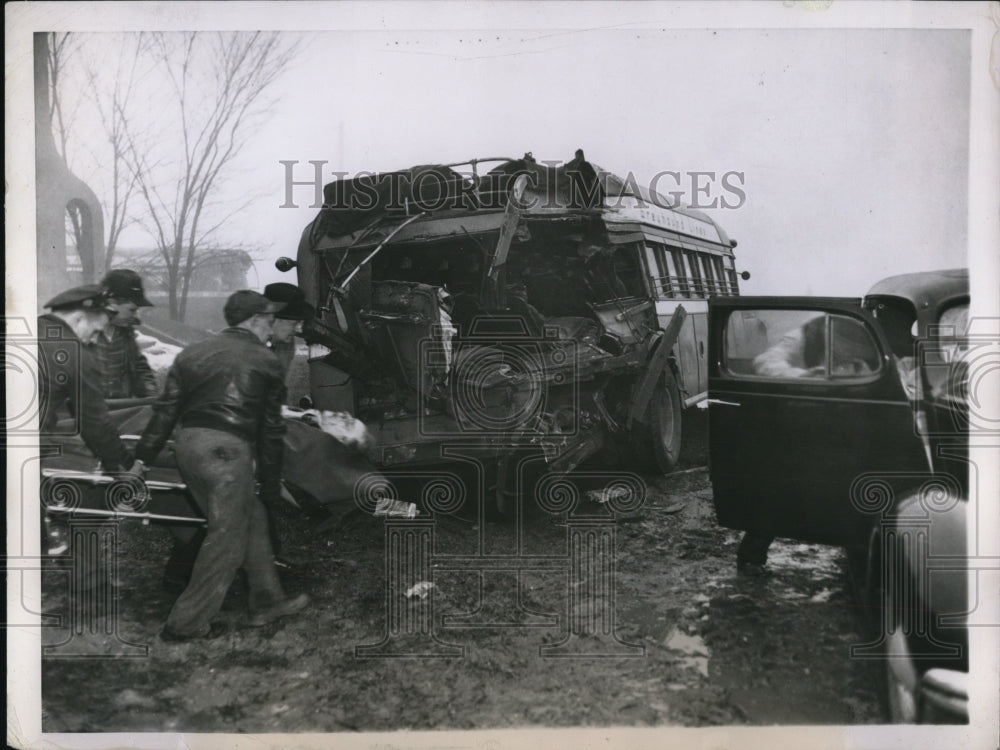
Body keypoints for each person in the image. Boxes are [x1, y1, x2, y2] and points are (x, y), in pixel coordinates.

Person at [135, 290, 309, 642]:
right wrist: (273, 484)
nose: (271, 326)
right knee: (225, 537)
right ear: (254, 321)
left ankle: (266, 601)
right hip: (227, 452)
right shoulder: (264, 359)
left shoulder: (191, 353)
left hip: (190, 447)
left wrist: (142, 459)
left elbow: (165, 412)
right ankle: (185, 624)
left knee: (252, 517)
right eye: (268, 320)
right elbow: (271, 430)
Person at [38, 284, 144, 555]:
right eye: (95, 331)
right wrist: (121, 467)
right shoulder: (74, 352)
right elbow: (94, 422)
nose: (94, 340)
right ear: (77, 319)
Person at [89, 269, 158, 399]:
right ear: (112, 303)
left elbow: (139, 368)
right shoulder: (80, 333)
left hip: (120, 412)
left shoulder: (126, 334)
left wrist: (151, 397)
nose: (136, 317)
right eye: (132, 310)